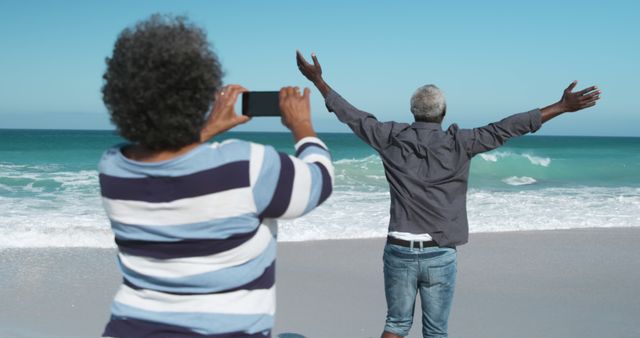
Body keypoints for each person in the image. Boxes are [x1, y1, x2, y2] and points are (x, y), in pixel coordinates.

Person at [296, 51, 600, 338]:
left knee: (396, 324)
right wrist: (560, 107)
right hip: (440, 252)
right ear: (443, 113)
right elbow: (507, 128)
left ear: (413, 112)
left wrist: (319, 82)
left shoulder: (389, 137)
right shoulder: (462, 142)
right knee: (436, 332)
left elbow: (352, 116)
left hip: (399, 249)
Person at [98, 15, 334, 338]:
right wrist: (301, 125)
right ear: (199, 88)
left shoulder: (113, 168)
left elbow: (171, 163)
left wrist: (206, 129)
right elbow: (319, 181)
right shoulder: (245, 164)